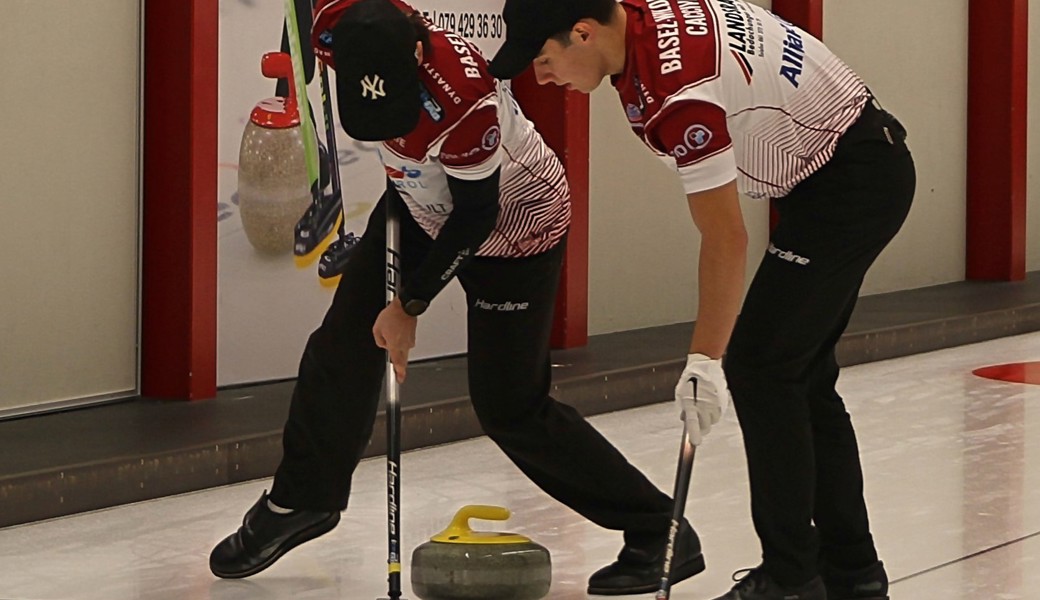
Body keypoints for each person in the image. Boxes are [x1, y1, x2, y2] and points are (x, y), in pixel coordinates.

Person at [209, 0, 708, 595]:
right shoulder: (338, 27)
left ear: (417, 58)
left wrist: (409, 307)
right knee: (342, 344)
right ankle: (303, 501)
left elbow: (475, 219)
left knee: (510, 406)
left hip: (513, 225)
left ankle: (661, 531)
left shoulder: (466, 101)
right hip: (418, 199)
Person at [488, 1, 914, 599]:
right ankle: (853, 573)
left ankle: (792, 577)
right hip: (851, 169)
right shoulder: (637, 23)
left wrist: (704, 361)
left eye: (544, 59)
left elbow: (725, 237)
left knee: (760, 368)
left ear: (583, 33)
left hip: (850, 184)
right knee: (801, 377)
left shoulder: (678, 90)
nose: (542, 78)